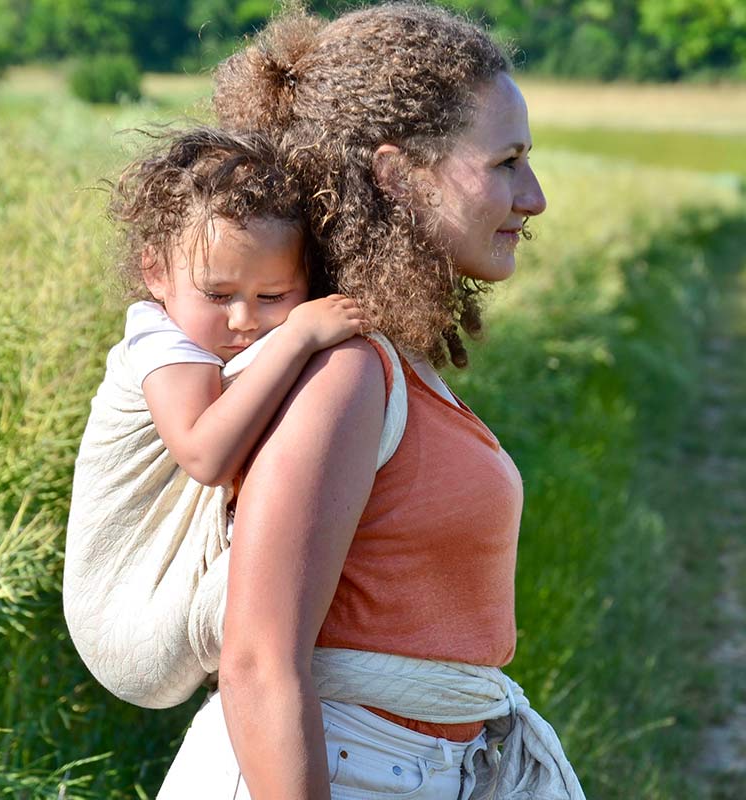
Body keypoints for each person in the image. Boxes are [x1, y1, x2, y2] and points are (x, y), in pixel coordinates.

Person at [158, 3, 586, 799]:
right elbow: (258, 662)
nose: (533, 198)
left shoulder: (388, 364)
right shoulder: (347, 375)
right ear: (395, 175)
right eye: (506, 163)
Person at [63, 127, 366, 709]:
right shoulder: (155, 341)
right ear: (156, 274)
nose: (244, 320)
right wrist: (297, 334)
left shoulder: (216, 328)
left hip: (168, 609)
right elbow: (205, 455)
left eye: (275, 296)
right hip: (128, 614)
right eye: (218, 294)